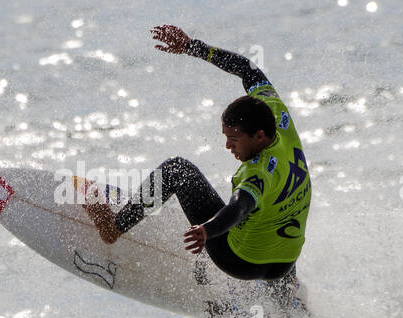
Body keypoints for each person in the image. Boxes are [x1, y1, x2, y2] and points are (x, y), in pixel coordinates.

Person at [84, 25, 311, 287]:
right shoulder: (277, 114)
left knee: (177, 170)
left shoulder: (258, 172)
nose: (228, 146)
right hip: (285, 263)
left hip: (240, 262)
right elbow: (248, 69)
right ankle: (285, 291)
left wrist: (207, 230)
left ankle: (113, 228)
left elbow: (239, 207)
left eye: (234, 139)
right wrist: (192, 46)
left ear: (259, 135)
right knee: (277, 204)